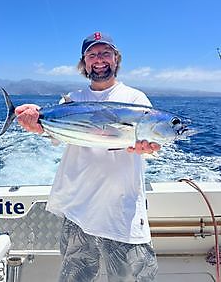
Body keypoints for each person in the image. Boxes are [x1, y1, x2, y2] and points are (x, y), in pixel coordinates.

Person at [16, 32, 160, 282]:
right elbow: (55, 135)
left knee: (132, 277)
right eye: (92, 54)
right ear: (84, 63)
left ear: (116, 59)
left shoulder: (136, 100)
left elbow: (154, 139)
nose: (99, 59)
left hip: (121, 211)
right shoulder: (71, 100)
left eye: (105, 53)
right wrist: (36, 124)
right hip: (78, 209)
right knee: (76, 277)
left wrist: (152, 148)